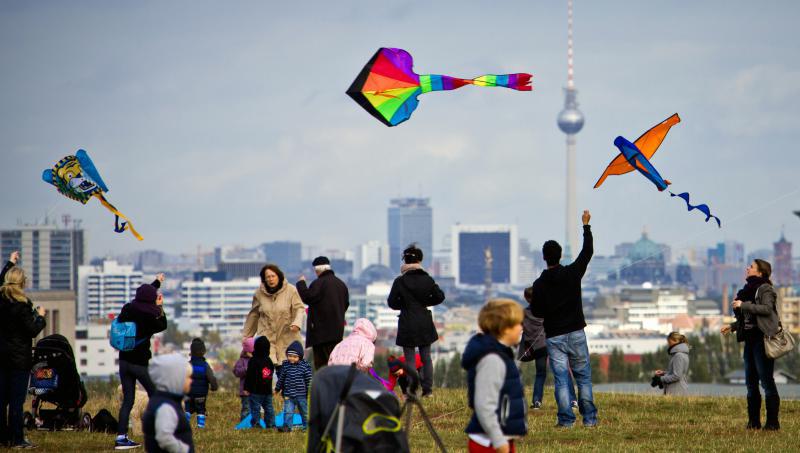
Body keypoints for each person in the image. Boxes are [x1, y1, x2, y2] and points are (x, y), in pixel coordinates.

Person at [529, 210, 597, 428]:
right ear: (559, 255)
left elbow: (537, 312)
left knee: (561, 380)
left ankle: (566, 420)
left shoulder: (539, 284)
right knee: (583, 378)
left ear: (544, 257)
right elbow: (587, 252)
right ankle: (589, 419)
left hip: (554, 336)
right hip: (576, 332)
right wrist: (586, 226)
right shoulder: (572, 273)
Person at [721, 259, 781, 430]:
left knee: (766, 381)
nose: (747, 268)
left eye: (752, 267)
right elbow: (748, 318)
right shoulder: (746, 290)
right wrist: (732, 327)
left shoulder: (765, 289)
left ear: (760, 272)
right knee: (751, 383)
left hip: (763, 341)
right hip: (750, 341)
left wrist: (743, 305)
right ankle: (753, 422)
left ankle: (772, 423)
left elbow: (767, 309)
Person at [461, 299, 527, 453]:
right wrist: (498, 439)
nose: (521, 328)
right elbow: (484, 405)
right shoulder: (493, 360)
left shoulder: (502, 354)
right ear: (505, 329)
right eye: (518, 324)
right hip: (489, 442)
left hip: (499, 437)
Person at [114, 274, 169, 450]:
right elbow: (163, 324)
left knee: (128, 400)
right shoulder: (150, 315)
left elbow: (142, 297)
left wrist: (157, 283)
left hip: (124, 361)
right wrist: (160, 307)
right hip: (139, 363)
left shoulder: (128, 309)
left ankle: (121, 437)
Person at [0, 251, 46, 449]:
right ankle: (17, 439)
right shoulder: (23, 306)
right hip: (19, 360)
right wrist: (41, 317)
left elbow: (1, 280)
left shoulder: (0, 301)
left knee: (1, 401)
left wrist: (10, 263)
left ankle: (3, 437)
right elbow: (32, 330)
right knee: (16, 403)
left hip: (1, 357)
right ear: (22, 284)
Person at [387, 244, 445, 397]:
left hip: (407, 321)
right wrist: (425, 303)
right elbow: (440, 297)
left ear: (405, 261)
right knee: (426, 357)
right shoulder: (427, 279)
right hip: (424, 321)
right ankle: (428, 390)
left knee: (410, 358)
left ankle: (412, 390)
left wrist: (405, 305)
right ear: (420, 260)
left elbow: (391, 302)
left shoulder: (400, 281)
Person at [243, 264, 305, 377]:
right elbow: (254, 315)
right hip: (267, 339)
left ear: (279, 276)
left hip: (287, 338)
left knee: (287, 374)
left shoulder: (291, 290)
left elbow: (299, 308)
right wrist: (247, 338)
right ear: (264, 279)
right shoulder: (259, 294)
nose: (270, 279)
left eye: (273, 276)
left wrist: (296, 323)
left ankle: (284, 393)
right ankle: (266, 394)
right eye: (268, 277)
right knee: (265, 374)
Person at [519, 287, 576, 410]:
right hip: (553, 343)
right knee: (563, 371)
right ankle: (572, 400)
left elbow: (521, 328)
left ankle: (537, 401)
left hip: (538, 348)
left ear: (526, 298)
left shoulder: (524, 313)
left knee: (540, 374)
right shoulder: (547, 309)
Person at [296, 256, 350, 370]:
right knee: (334, 363)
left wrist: (301, 283)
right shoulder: (341, 284)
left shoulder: (318, 283)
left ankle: (325, 386)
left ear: (317, 270)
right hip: (337, 332)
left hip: (321, 334)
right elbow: (345, 305)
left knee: (322, 367)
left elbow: (307, 297)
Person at [141, 353, 194, 453]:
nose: (191, 381)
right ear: (175, 379)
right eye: (188, 377)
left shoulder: (164, 401)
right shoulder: (166, 407)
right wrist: (183, 450)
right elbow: (164, 437)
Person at [274, 341, 312, 432]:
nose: (292, 358)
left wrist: (310, 392)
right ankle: (287, 427)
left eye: (295, 357)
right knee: (288, 412)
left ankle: (307, 427)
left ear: (300, 357)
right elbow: (281, 379)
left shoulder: (304, 367)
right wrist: (277, 389)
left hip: (301, 395)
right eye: (289, 356)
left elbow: (309, 380)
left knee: (304, 412)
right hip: (288, 395)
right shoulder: (286, 366)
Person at [184, 338, 218, 429]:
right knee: (201, 409)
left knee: (186, 408)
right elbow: (211, 378)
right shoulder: (205, 366)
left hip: (189, 392)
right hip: (201, 394)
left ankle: (185, 425)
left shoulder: (188, 365)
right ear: (203, 352)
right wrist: (214, 387)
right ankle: (200, 426)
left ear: (191, 352)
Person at [245, 336, 275, 430]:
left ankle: (256, 424)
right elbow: (271, 374)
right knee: (269, 409)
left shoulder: (253, 361)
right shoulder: (269, 361)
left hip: (255, 391)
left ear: (256, 347)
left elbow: (249, 376)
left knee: (255, 408)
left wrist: (247, 388)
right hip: (267, 391)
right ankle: (271, 425)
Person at [233, 337, 255, 421]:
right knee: (246, 408)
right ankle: (244, 423)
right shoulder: (242, 360)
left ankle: (254, 422)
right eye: (251, 352)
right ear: (246, 351)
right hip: (245, 390)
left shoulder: (256, 359)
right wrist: (246, 370)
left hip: (255, 390)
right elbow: (236, 371)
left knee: (255, 408)